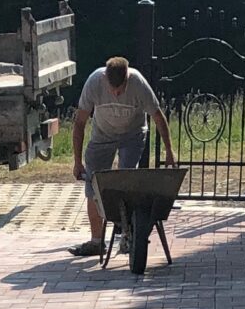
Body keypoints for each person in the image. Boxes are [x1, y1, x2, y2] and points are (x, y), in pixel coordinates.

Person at [70, 55, 174, 258]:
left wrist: (169, 151)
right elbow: (80, 123)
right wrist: (77, 161)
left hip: (132, 136)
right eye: (113, 89)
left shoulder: (138, 83)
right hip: (102, 136)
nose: (117, 93)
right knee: (94, 184)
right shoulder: (94, 82)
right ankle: (96, 241)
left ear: (128, 78)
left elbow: (158, 117)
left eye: (121, 89)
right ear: (105, 79)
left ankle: (128, 236)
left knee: (126, 181)